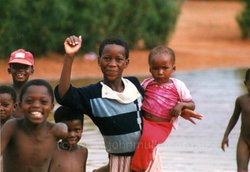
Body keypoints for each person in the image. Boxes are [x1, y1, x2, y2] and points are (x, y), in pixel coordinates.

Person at [54, 35, 146, 171]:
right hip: (119, 160)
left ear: (126, 63)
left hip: (146, 156)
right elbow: (64, 95)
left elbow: (153, 105)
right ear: (99, 61)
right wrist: (69, 56)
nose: (112, 64)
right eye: (107, 58)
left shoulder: (134, 83)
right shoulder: (92, 95)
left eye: (119, 59)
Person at [130, 45, 203, 171]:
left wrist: (181, 105)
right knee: (130, 138)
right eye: (155, 68)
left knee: (147, 140)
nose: (160, 72)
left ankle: (137, 169)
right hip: (144, 121)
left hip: (161, 125)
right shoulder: (147, 83)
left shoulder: (178, 85)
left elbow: (191, 103)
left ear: (173, 68)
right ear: (150, 69)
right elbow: (137, 99)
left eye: (165, 68)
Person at [0, 79, 68, 172]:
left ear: (51, 107)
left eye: (43, 102)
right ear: (20, 105)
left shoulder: (56, 132)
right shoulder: (12, 127)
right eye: (29, 101)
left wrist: (63, 127)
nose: (36, 105)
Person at [221, 68, 250, 172]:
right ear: (245, 83)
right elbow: (234, 118)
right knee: (241, 170)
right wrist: (226, 135)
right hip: (244, 140)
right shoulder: (241, 100)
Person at [49, 105, 88, 172]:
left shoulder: (83, 152)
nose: (72, 135)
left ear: (82, 129)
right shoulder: (51, 151)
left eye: (77, 130)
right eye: (68, 130)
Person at [7, 48, 35, 118]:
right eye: (16, 67)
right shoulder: (4, 93)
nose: (20, 70)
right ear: (9, 70)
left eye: (25, 67)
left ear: (32, 71)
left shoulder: (36, 94)